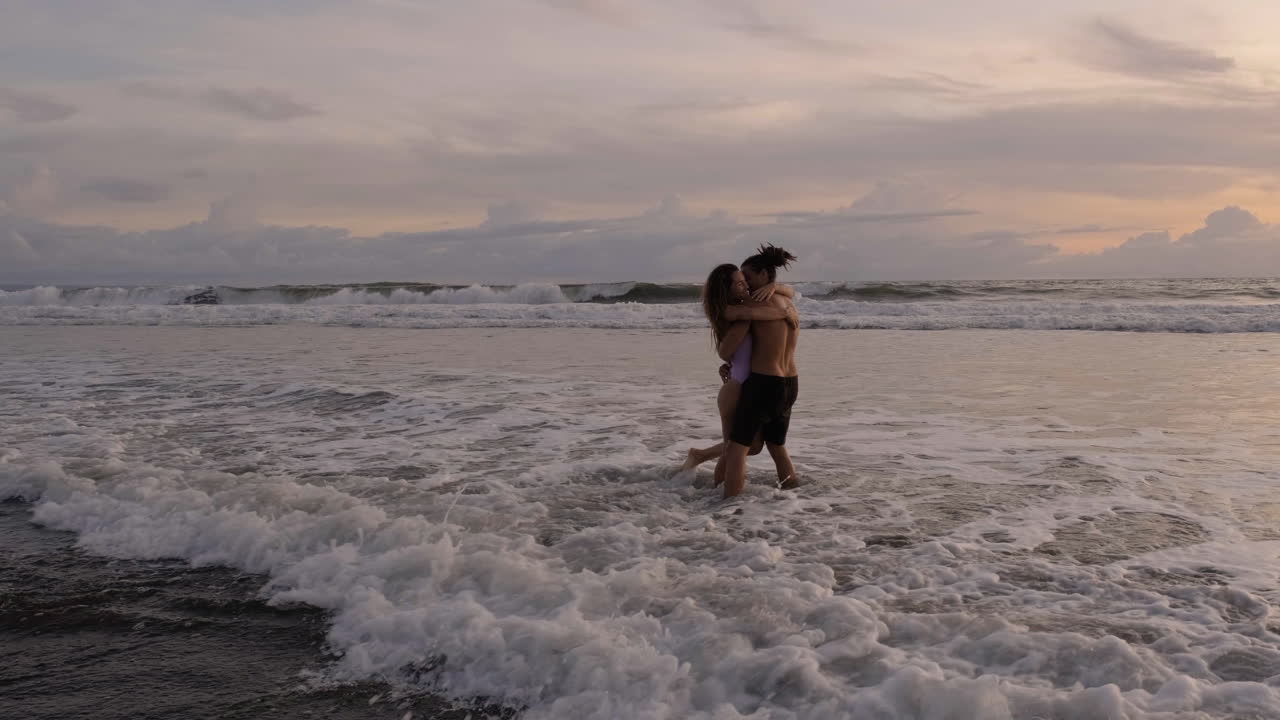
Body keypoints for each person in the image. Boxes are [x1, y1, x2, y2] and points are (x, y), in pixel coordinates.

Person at [681, 263, 798, 487]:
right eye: (739, 283)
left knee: (750, 447)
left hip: (751, 384)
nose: (746, 286)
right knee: (734, 448)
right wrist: (784, 312)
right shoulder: (737, 312)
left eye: (745, 281)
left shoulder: (747, 308)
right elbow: (725, 351)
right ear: (727, 289)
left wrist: (775, 287)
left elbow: (790, 293)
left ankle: (701, 459)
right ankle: (720, 494)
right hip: (736, 388)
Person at [719, 244, 801, 498]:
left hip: (765, 383)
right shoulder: (788, 303)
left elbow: (729, 313)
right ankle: (795, 498)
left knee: (737, 449)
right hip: (790, 383)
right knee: (777, 446)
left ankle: (729, 506)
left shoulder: (755, 302)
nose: (745, 284)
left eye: (748, 277)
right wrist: (778, 290)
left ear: (764, 275)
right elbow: (791, 292)